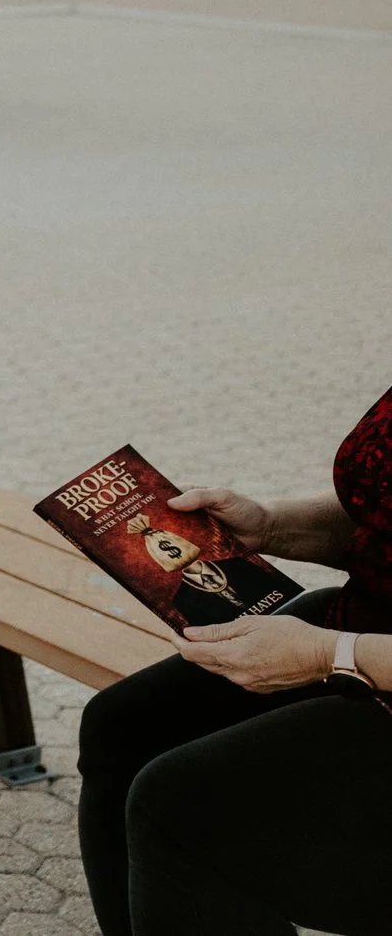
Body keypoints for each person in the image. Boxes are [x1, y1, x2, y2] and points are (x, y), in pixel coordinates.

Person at [77, 382, 392, 936]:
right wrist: (270, 524)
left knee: (178, 806)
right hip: (369, 621)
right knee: (123, 726)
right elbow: (378, 516)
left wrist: (330, 653)